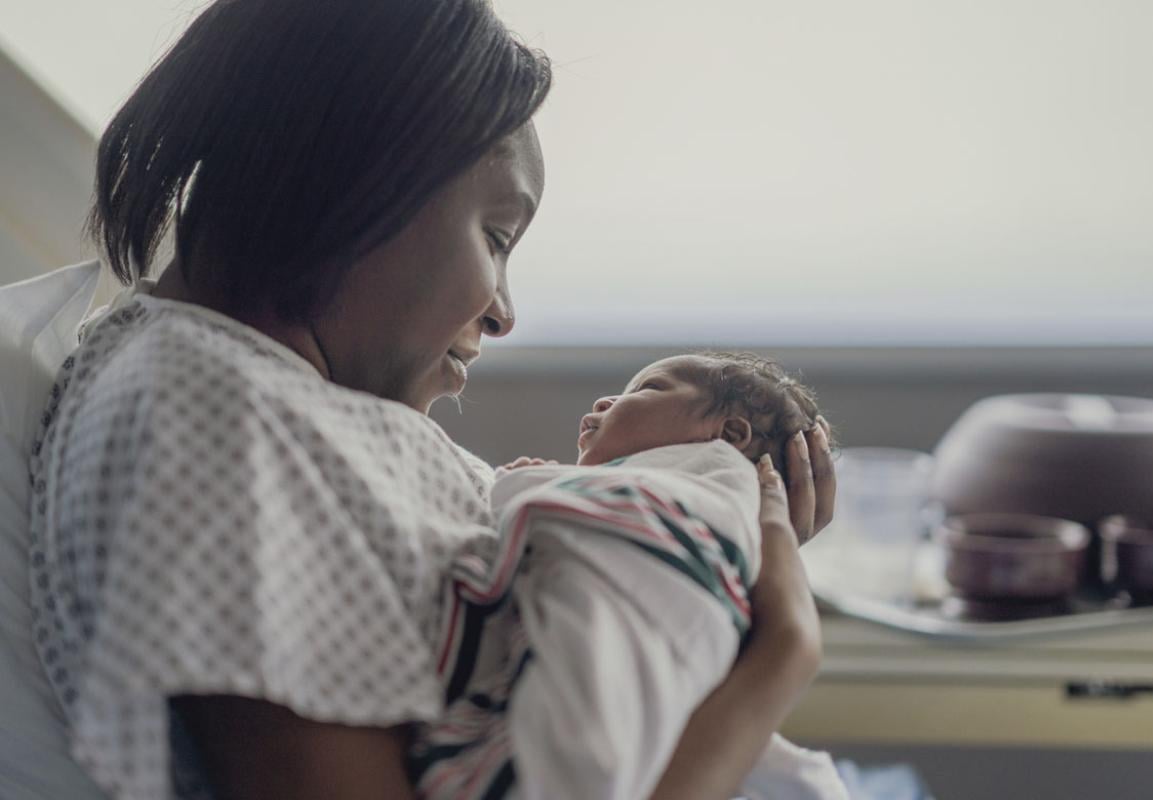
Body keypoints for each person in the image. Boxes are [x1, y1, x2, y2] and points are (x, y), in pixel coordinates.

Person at [26, 2, 836, 799]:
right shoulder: (208, 419)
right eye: (497, 237)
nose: (504, 313)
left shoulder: (271, 396)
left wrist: (704, 548)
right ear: (359, 178)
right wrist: (776, 661)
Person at [411, 352, 847, 799]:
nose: (604, 402)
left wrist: (528, 481)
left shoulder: (710, 478)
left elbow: (512, 505)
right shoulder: (729, 511)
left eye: (646, 389)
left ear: (729, 435)